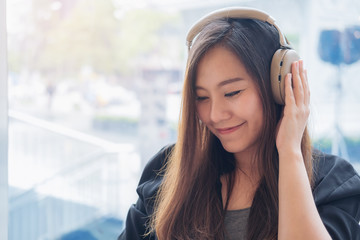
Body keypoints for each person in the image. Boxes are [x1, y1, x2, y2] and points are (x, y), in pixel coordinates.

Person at [118, 7, 360, 240]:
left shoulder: (333, 183)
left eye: (232, 92)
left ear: (278, 87)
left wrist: (290, 152)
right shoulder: (167, 171)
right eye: (202, 97)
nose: (214, 114)